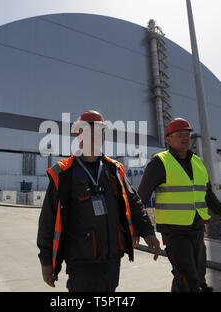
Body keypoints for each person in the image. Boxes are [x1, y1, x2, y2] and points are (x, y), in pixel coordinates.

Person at [37, 110, 161, 292]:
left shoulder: (114, 170)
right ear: (78, 135)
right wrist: (46, 261)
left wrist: (148, 230)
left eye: (100, 132)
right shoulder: (64, 173)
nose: (95, 136)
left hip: (111, 260)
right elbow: (48, 219)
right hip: (81, 263)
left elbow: (133, 201)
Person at [137, 117, 221, 292]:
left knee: (195, 276)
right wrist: (142, 230)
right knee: (188, 279)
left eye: (187, 134)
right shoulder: (159, 162)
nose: (185, 137)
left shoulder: (198, 162)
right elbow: (141, 198)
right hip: (174, 232)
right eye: (179, 134)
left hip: (197, 228)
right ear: (168, 139)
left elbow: (208, 195)